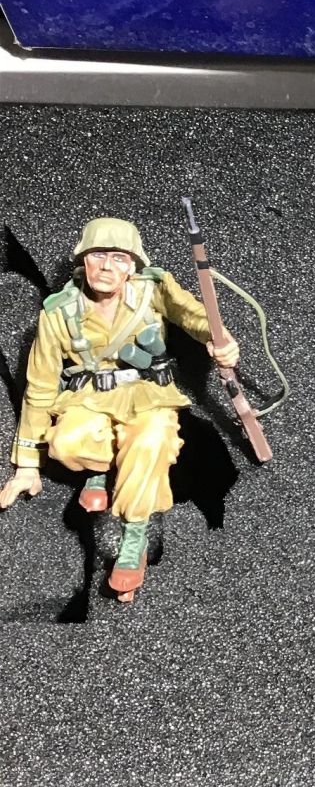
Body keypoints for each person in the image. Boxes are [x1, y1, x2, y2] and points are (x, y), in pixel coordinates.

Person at [0, 217, 239, 599]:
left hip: (147, 394)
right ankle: (103, 469)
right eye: (98, 255)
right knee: (66, 444)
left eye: (118, 257)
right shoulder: (59, 312)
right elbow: (40, 386)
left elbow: (194, 314)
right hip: (89, 397)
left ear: (132, 264)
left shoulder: (152, 289)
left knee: (152, 441)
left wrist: (219, 337)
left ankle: (135, 535)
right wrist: (27, 464)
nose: (107, 266)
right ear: (83, 259)